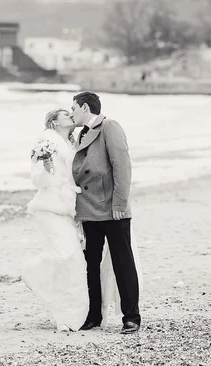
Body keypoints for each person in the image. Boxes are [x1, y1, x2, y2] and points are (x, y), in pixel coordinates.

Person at [70, 91, 142, 335]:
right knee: (91, 264)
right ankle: (93, 316)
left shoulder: (109, 126)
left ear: (85, 108)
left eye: (74, 108)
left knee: (123, 263)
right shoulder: (81, 133)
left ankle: (131, 317)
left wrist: (120, 204)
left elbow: (122, 166)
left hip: (112, 209)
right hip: (89, 208)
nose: (71, 113)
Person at [23, 109, 89, 332]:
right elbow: (36, 178)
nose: (70, 115)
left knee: (75, 262)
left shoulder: (70, 143)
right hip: (49, 207)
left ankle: (68, 316)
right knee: (65, 255)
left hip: (67, 208)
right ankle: (32, 271)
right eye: (64, 113)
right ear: (53, 122)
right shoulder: (45, 141)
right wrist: (46, 170)